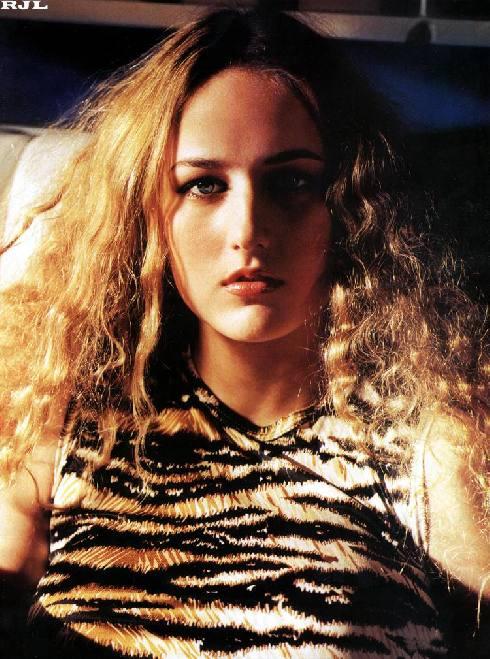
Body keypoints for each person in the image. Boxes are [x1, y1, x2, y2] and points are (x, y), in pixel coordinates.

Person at [0, 7, 488, 658]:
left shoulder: (424, 447)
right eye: (204, 185)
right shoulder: (63, 412)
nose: (248, 230)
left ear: (350, 204)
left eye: (291, 181)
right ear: (146, 210)